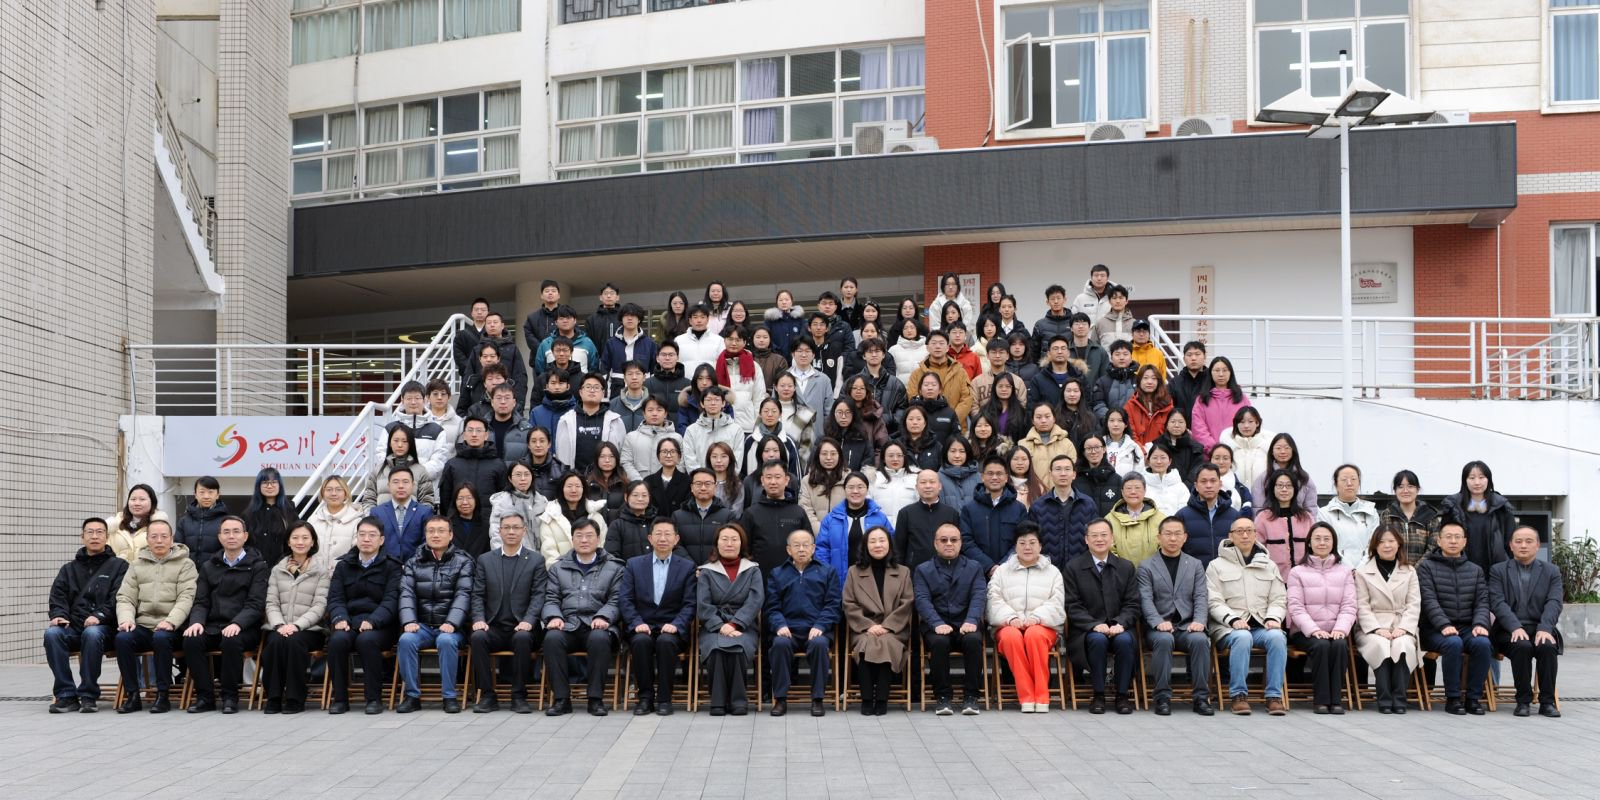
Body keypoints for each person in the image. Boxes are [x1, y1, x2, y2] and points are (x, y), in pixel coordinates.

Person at [182, 515, 270, 713]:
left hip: (244, 627)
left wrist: (237, 623)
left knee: (231, 640)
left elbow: (256, 604)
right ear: (220, 537)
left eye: (236, 532)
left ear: (245, 536)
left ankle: (230, 696)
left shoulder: (257, 566)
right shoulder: (209, 566)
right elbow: (201, 601)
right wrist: (197, 622)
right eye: (226, 532)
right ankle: (205, 697)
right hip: (213, 625)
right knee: (191, 639)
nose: (231, 536)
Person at [540, 518, 625, 717]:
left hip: (598, 625)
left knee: (599, 638)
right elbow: (551, 598)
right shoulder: (558, 568)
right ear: (572, 540)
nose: (584, 540)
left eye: (589, 536)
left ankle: (595, 699)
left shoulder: (615, 567)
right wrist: (554, 617)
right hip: (568, 624)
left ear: (598, 539)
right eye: (579, 536)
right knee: (552, 638)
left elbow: (617, 599)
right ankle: (561, 699)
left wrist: (604, 617)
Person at [1206, 516, 1289, 716]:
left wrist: (1273, 618)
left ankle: (1274, 696)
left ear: (1255, 534)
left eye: (1249, 531)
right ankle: (1239, 696)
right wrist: (1233, 619)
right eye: (1239, 531)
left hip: (1261, 626)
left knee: (1278, 637)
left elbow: (1279, 598)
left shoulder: (1268, 565)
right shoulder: (1216, 565)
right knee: (1242, 637)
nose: (1245, 535)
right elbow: (1213, 601)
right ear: (1231, 536)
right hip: (1227, 628)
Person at [45, 517, 127, 713]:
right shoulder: (68, 569)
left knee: (92, 633)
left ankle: (88, 694)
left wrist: (100, 616)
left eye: (99, 532)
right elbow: (57, 597)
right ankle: (66, 695)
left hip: (105, 629)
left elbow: (120, 597)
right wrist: (58, 615)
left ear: (107, 537)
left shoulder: (119, 566)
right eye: (90, 532)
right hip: (73, 627)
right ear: (82, 537)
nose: (95, 536)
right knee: (52, 634)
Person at [467, 512, 547, 714]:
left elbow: (539, 595)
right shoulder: (486, 560)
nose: (511, 532)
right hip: (494, 626)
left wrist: (529, 621)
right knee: (477, 637)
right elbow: (477, 595)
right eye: (507, 527)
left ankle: (519, 696)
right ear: (499, 531)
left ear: (524, 531)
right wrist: (479, 619)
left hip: (523, 627)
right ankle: (487, 695)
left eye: (516, 527)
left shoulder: (536, 560)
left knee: (522, 638)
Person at [115, 519, 196, 713]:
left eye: (164, 536)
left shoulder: (185, 564)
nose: (159, 541)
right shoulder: (136, 565)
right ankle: (133, 695)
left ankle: (162, 695)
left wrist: (171, 622)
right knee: (122, 638)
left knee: (161, 638)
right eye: (154, 536)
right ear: (147, 539)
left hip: (174, 627)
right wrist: (126, 619)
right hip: (144, 625)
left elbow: (186, 597)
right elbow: (125, 597)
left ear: (172, 539)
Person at [1061, 519, 1141, 714]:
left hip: (1119, 627)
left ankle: (1122, 695)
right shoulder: (1073, 567)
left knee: (1124, 640)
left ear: (1112, 538)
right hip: (1087, 630)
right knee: (1097, 640)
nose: (1099, 539)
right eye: (1094, 535)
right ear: (1086, 540)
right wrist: (1093, 624)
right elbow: (1072, 605)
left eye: (1104, 535)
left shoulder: (1125, 567)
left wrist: (1121, 623)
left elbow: (1133, 603)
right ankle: (1098, 694)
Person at [617, 518, 696, 715]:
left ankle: (664, 699)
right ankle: (645, 698)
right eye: (658, 534)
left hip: (672, 628)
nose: (663, 539)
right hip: (642, 626)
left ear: (676, 539)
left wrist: (677, 624)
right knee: (641, 642)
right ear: (650, 538)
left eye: (668, 534)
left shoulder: (687, 567)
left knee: (665, 642)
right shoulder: (634, 565)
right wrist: (636, 622)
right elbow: (625, 599)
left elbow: (690, 603)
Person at [395, 517, 474, 713]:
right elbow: (406, 593)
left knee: (446, 641)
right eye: (431, 531)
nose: (435, 535)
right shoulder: (413, 562)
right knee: (406, 640)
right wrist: (409, 621)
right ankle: (412, 696)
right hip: (422, 626)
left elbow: (464, 594)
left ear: (451, 535)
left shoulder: (463, 562)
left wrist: (452, 622)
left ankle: (449, 696)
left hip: (452, 627)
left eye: (441, 531)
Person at [325, 516, 402, 715]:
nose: (366, 539)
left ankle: (373, 698)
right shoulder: (344, 565)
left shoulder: (392, 566)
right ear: (356, 538)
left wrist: (373, 621)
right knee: (337, 641)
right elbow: (335, 598)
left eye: (372, 535)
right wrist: (339, 618)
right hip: (349, 622)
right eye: (362, 535)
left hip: (381, 626)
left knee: (367, 640)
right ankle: (340, 699)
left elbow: (391, 600)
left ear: (381, 540)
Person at [1137, 517, 1214, 715]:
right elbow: (1145, 599)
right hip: (1159, 628)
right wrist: (1157, 622)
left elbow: (1201, 596)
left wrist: (1199, 621)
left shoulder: (1195, 564)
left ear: (1185, 537)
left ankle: (1201, 698)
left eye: (1177, 534)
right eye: (1168, 534)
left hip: (1187, 626)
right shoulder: (1146, 566)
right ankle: (1162, 697)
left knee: (1200, 640)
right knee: (1164, 640)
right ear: (1159, 537)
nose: (1173, 538)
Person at [987, 523, 1066, 714]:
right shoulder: (1002, 571)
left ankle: (1042, 696)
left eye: (1032, 542)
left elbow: (1056, 603)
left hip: (1043, 626)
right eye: (1022, 543)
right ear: (1015, 546)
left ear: (1040, 546)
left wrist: (1036, 618)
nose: (1027, 547)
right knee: (1011, 637)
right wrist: (1010, 618)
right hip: (1008, 625)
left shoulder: (1053, 572)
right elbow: (993, 600)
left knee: (1034, 635)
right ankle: (1027, 696)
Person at [1417, 521, 1493, 715]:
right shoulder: (1426, 567)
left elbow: (1482, 602)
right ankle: (1453, 698)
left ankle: (1473, 698)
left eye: (1457, 537)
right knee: (1453, 643)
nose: (1453, 541)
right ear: (1439, 541)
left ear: (1464, 541)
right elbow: (1428, 600)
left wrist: (1480, 623)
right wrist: (1443, 624)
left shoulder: (1475, 570)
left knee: (1483, 643)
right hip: (1434, 628)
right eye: (1448, 537)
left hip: (1467, 626)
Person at [1488, 526, 1563, 718]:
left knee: (1547, 647)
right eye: (1518, 541)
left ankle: (1547, 702)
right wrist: (1514, 627)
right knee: (1522, 646)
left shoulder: (1551, 571)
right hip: (1507, 630)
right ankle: (1523, 701)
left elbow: (1554, 602)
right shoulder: (1498, 571)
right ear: (1510, 545)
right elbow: (1497, 602)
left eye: (1529, 541)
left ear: (1537, 545)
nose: (1523, 545)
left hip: (1540, 628)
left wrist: (1545, 628)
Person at [766, 529, 841, 717]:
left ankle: (817, 699)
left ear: (813, 548)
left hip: (816, 629)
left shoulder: (827, 571)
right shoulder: (777, 573)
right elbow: (771, 607)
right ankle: (780, 699)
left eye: (806, 545)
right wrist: (780, 625)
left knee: (819, 645)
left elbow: (833, 604)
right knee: (779, 644)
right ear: (788, 550)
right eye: (796, 545)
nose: (801, 549)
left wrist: (820, 625)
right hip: (788, 629)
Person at [915, 522, 987, 715]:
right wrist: (936, 623)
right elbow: (922, 599)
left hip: (966, 623)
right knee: (939, 642)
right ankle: (943, 697)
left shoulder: (974, 567)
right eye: (944, 540)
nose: (949, 543)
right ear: (935, 543)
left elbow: (979, 596)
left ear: (961, 543)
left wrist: (972, 620)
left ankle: (971, 697)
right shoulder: (923, 570)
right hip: (936, 625)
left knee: (974, 641)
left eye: (954, 540)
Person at [259, 521, 330, 714]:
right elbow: (271, 602)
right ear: (288, 542)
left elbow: (319, 606)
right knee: (274, 643)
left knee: (294, 642)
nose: (300, 542)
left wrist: (297, 626)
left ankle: (295, 698)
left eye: (305, 538)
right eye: (295, 538)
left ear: (312, 542)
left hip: (309, 630)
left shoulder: (321, 571)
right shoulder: (277, 570)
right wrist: (279, 625)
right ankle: (273, 697)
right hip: (280, 627)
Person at [1286, 522, 1357, 714]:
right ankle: (1321, 700)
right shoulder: (1297, 572)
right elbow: (1295, 607)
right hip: (1305, 632)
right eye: (1317, 539)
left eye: (1327, 539)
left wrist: (1341, 629)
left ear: (1334, 543)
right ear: (1309, 543)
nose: (1322, 543)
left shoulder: (1344, 571)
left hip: (1335, 629)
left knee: (1340, 645)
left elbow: (1349, 605)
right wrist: (1314, 630)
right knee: (1321, 646)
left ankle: (1336, 700)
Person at [842, 526, 913, 715]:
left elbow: (907, 602)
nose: (878, 545)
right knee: (867, 643)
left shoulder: (903, 572)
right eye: (872, 541)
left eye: (882, 540)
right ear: (866, 545)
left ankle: (881, 700)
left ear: (889, 544)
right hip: (864, 628)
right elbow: (849, 603)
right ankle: (867, 699)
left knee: (886, 643)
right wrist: (869, 626)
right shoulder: (854, 572)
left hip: (895, 629)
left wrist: (888, 626)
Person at [1352, 524, 1422, 715]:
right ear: (1375, 546)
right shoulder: (1363, 572)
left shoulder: (1409, 571)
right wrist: (1376, 629)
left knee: (1403, 645)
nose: (1387, 545)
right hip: (1372, 626)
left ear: (1399, 544)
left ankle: (1399, 699)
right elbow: (1362, 605)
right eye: (1382, 542)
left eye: (1391, 541)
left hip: (1401, 624)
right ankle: (1384, 699)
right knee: (1380, 645)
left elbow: (1414, 604)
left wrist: (1404, 628)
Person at [697, 523, 764, 715]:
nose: (729, 543)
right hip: (713, 625)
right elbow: (703, 603)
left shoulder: (752, 570)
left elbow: (755, 600)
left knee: (737, 648)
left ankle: (738, 701)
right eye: (724, 539)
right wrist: (720, 625)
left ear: (742, 543)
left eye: (734, 539)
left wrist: (736, 623)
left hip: (744, 625)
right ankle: (717, 702)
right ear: (716, 543)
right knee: (716, 649)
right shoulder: (707, 571)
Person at [816, 472, 892, 590]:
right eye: (851, 487)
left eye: (860, 487)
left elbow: (891, 545)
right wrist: (826, 574)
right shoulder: (831, 519)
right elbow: (822, 549)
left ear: (867, 489)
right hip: (839, 579)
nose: (855, 491)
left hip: (874, 579)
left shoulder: (880, 518)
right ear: (844, 490)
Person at [1440, 460, 1517, 575]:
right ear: (1465, 480)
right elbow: (1444, 539)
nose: (1477, 482)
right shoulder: (1452, 506)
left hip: (1496, 570)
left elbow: (1510, 541)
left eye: (1481, 477)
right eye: (1472, 478)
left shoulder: (1501, 507)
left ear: (1488, 480)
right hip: (1459, 570)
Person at [960, 456, 1029, 575]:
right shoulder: (969, 509)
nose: (995, 477)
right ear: (982, 477)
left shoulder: (1019, 509)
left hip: (1011, 572)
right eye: (990, 473)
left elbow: (1022, 540)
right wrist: (989, 566)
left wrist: (1002, 567)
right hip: (977, 573)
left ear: (1006, 478)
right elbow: (966, 542)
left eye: (999, 474)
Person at [1032, 454, 1097, 569]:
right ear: (1050, 474)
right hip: (1046, 569)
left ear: (1074, 474)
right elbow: (1032, 539)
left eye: (1067, 469)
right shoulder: (1038, 506)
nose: (1063, 473)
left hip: (1081, 569)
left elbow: (1095, 537)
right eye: (1058, 469)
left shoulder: (1088, 504)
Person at [555, 373, 626, 474]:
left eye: (596, 387)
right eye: (588, 387)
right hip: (575, 479)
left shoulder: (615, 421)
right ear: (580, 392)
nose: (592, 390)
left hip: (605, 478)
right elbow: (560, 453)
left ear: (603, 393)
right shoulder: (566, 420)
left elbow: (621, 453)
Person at [437, 418, 510, 512]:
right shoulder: (452, 465)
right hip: (457, 519)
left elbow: (504, 498)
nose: (474, 434)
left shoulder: (498, 465)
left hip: (489, 519)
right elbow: (445, 499)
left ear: (486, 435)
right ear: (464, 435)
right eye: (470, 430)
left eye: (479, 430)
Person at [1255, 468, 1316, 578]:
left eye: (1288, 486)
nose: (1284, 489)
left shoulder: (1306, 517)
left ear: (1295, 489)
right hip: (1274, 578)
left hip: (1305, 578)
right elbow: (1258, 549)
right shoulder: (1263, 518)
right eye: (1280, 485)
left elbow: (1314, 549)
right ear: (1273, 489)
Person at [360, 424, 439, 509]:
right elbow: (369, 499)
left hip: (412, 517)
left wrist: (418, 516)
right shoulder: (378, 470)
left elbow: (427, 501)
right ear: (390, 443)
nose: (400, 445)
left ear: (410, 444)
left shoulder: (421, 471)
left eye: (405, 441)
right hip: (380, 517)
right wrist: (373, 516)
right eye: (396, 440)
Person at [1177, 464, 1242, 566]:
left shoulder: (1234, 516)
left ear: (1220, 484)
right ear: (1196, 486)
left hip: (1226, 572)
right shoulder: (1182, 516)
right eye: (1203, 481)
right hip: (1194, 573)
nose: (1208, 485)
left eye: (1213, 481)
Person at [906, 330, 975, 423]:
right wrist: (928, 420)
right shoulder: (917, 374)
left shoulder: (960, 372)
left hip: (955, 426)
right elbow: (913, 398)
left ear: (947, 347)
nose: (937, 346)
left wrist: (951, 419)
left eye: (941, 343)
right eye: (934, 343)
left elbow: (967, 399)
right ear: (927, 347)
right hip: (924, 426)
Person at [671, 468, 737, 564]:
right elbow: (675, 544)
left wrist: (708, 566)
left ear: (715, 487)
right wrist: (691, 566)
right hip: (685, 568)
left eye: (708, 484)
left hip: (716, 568)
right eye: (698, 484)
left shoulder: (727, 516)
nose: (703, 488)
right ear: (692, 487)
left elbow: (728, 544)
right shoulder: (678, 516)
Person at [1380, 470, 1441, 564]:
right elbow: (1382, 545)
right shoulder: (1387, 515)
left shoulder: (1430, 515)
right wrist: (1397, 569)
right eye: (1400, 487)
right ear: (1395, 490)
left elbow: (1433, 548)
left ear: (1418, 489)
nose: (1405, 491)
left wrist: (1415, 570)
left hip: (1424, 571)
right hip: (1394, 570)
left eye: (1410, 486)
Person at [1321, 464, 1379, 564]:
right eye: (1344, 479)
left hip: (1366, 568)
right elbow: (1326, 544)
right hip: (1336, 567)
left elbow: (1374, 543)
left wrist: (1361, 567)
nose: (1349, 483)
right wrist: (1348, 568)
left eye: (1353, 479)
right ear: (1336, 484)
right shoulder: (1324, 513)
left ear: (1359, 483)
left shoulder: (1371, 512)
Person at [1188, 356, 1250, 449]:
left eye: (1225, 370)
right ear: (1210, 373)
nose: (1221, 374)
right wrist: (1215, 449)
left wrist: (1235, 448)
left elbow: (1249, 424)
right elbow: (1198, 429)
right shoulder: (1202, 400)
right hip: (1210, 454)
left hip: (1237, 452)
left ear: (1230, 373)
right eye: (1217, 370)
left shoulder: (1242, 398)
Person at [373, 466, 433, 560]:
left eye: (405, 482)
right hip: (385, 565)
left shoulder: (424, 512)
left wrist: (413, 564)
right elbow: (374, 542)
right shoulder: (377, 512)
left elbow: (427, 543)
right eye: (396, 482)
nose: (401, 486)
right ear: (388, 485)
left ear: (413, 485)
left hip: (416, 564)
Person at [243, 467, 298, 567]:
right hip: (255, 567)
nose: (269, 486)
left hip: (283, 566)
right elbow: (245, 543)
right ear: (258, 486)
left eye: (274, 482)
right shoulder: (249, 513)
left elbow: (296, 537)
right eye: (265, 483)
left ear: (280, 485)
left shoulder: (289, 509)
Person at [1250, 433, 1318, 512]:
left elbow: (1311, 507)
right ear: (1272, 451)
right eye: (1278, 448)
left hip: (1298, 519)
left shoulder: (1303, 477)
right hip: (1271, 519)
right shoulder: (1264, 478)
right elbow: (1258, 508)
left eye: (1287, 448)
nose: (1283, 451)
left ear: (1293, 451)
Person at [602, 305, 659, 398]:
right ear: (621, 319)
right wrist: (605, 396)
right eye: (626, 315)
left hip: (644, 393)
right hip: (616, 392)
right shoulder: (611, 343)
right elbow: (604, 371)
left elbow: (654, 372)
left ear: (639, 319)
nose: (629, 318)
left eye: (633, 315)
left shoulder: (650, 344)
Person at [621, 396, 683, 482]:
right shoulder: (631, 437)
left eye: (659, 410)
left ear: (665, 413)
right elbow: (626, 463)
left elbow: (680, 464)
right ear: (644, 413)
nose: (654, 413)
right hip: (638, 486)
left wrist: (669, 482)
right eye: (650, 410)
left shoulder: (677, 438)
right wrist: (640, 484)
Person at [1106, 473, 1163, 565]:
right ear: (1122, 492)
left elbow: (1164, 547)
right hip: (1120, 571)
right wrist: (1121, 569)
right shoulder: (1109, 519)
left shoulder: (1160, 519)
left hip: (1153, 571)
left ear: (1145, 490)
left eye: (1137, 488)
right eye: (1128, 488)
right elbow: (1108, 548)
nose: (1133, 492)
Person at [309, 476, 363, 572]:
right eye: (329, 490)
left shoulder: (357, 521)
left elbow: (358, 553)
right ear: (322, 493)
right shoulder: (313, 520)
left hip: (345, 576)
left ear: (345, 493)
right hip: (315, 576)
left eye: (338, 490)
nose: (333, 493)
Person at [1017, 402, 1077, 485]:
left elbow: (1071, 470)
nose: (1043, 420)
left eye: (1047, 416)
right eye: (1038, 417)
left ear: (1054, 418)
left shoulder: (1067, 444)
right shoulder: (1023, 444)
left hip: (1060, 490)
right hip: (1033, 490)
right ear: (1032, 421)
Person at [108, 484, 169, 563]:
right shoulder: (113, 526)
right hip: (118, 570)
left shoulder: (159, 525)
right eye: (133, 499)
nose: (137, 503)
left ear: (152, 502)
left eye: (142, 499)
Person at [1220, 406, 1274, 491]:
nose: (1246, 426)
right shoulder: (1229, 447)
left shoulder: (1267, 447)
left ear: (1257, 423)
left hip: (1262, 496)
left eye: (1250, 421)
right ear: (1236, 424)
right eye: (1242, 422)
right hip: (1235, 495)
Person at [535, 306, 599, 375]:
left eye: (568, 318)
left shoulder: (587, 343)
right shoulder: (546, 344)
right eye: (561, 318)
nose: (565, 321)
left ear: (575, 321)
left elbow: (594, 368)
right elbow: (540, 369)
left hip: (581, 381)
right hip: (554, 381)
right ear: (556, 322)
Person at [1123, 364, 1172, 447]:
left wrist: (1158, 452)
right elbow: (1131, 435)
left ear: (1159, 382)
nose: (1149, 382)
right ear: (1139, 381)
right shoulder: (1130, 405)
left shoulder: (1168, 404)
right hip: (1137, 451)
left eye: (1154, 378)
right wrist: (1143, 452)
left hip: (1162, 452)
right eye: (1145, 378)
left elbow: (1169, 434)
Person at [1141, 442, 1191, 518]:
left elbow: (1185, 511)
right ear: (1148, 461)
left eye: (1163, 458)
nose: (1159, 461)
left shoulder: (1180, 486)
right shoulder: (1141, 485)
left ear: (1169, 461)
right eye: (1155, 458)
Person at [1151, 411, 1205, 482]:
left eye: (1181, 422)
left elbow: (1196, 471)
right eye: (1173, 422)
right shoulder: (1156, 445)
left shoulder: (1196, 449)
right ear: (1167, 425)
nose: (1176, 425)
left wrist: (1184, 486)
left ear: (1186, 425)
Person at [1075, 436, 1122, 515]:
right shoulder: (1075, 479)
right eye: (1089, 448)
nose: (1093, 452)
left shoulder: (1117, 480)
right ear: (1083, 452)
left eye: (1097, 447)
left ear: (1104, 449)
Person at [645, 438, 690, 518]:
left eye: (672, 452)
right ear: (658, 456)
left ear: (679, 456)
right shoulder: (648, 481)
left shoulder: (687, 481)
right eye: (664, 452)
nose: (668, 455)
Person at [1092, 341, 1138, 419]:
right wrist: (1112, 419)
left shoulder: (1139, 380)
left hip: (1134, 424)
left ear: (1131, 358)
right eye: (1117, 354)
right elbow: (1098, 404)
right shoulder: (1102, 382)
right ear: (1111, 358)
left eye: (1125, 354)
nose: (1121, 358)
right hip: (1109, 423)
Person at [675, 304, 722, 375]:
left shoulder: (718, 340)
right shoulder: (679, 340)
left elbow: (722, 364)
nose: (699, 320)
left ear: (707, 320)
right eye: (695, 317)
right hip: (686, 381)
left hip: (710, 381)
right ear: (690, 320)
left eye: (702, 317)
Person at [1207, 443, 1254, 514]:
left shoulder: (1242, 489)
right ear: (1210, 460)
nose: (1221, 462)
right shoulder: (1199, 486)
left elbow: (1247, 511)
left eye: (1225, 458)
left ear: (1231, 462)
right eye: (1217, 458)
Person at [1167, 341, 1210, 418]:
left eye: (1197, 354)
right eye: (1189, 355)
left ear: (1205, 356)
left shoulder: (1212, 381)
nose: (1193, 358)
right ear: (1184, 358)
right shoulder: (1174, 383)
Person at [608, 361, 653, 433]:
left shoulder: (653, 404)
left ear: (644, 377)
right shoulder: (613, 405)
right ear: (624, 378)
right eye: (630, 374)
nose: (634, 377)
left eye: (638, 373)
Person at [449, 484, 490, 559]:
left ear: (476, 500)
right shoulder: (447, 525)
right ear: (455, 501)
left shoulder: (486, 526)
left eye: (469, 498)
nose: (465, 502)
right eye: (460, 498)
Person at [522, 279, 562, 353]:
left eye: (553, 291)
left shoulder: (568, 315)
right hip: (540, 357)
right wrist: (545, 350)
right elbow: (530, 338)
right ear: (541, 296)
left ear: (559, 295)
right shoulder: (532, 318)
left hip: (564, 356)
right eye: (547, 291)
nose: (550, 293)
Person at [454, 297, 490, 377]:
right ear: (471, 313)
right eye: (476, 310)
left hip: (490, 375)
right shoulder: (462, 335)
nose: (479, 312)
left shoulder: (493, 333)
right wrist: (471, 369)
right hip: (469, 377)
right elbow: (459, 356)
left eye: (483, 310)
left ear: (488, 313)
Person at [764, 290, 807, 357]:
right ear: (777, 302)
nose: (784, 302)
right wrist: (775, 350)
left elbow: (803, 336)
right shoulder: (770, 320)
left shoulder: (799, 319)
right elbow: (766, 337)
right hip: (776, 357)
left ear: (791, 301)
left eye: (787, 300)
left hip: (796, 356)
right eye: (780, 300)